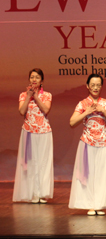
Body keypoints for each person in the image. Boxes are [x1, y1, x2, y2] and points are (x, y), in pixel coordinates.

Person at [68, 74, 106, 216]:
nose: (95, 87)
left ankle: (99, 204)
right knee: (88, 174)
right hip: (87, 142)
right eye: (93, 85)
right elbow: (72, 122)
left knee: (102, 175)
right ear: (87, 86)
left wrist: (103, 111)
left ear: (101, 86)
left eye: (98, 85)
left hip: (104, 143)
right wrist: (86, 112)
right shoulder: (82, 104)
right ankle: (90, 205)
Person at [13, 68, 54, 204]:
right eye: (32, 77)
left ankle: (42, 193)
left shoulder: (47, 95)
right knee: (30, 163)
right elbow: (22, 111)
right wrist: (28, 96)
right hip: (28, 131)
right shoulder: (23, 95)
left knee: (43, 163)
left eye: (37, 77)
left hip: (44, 131)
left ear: (42, 80)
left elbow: (46, 109)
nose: (34, 79)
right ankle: (32, 193)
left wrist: (35, 96)